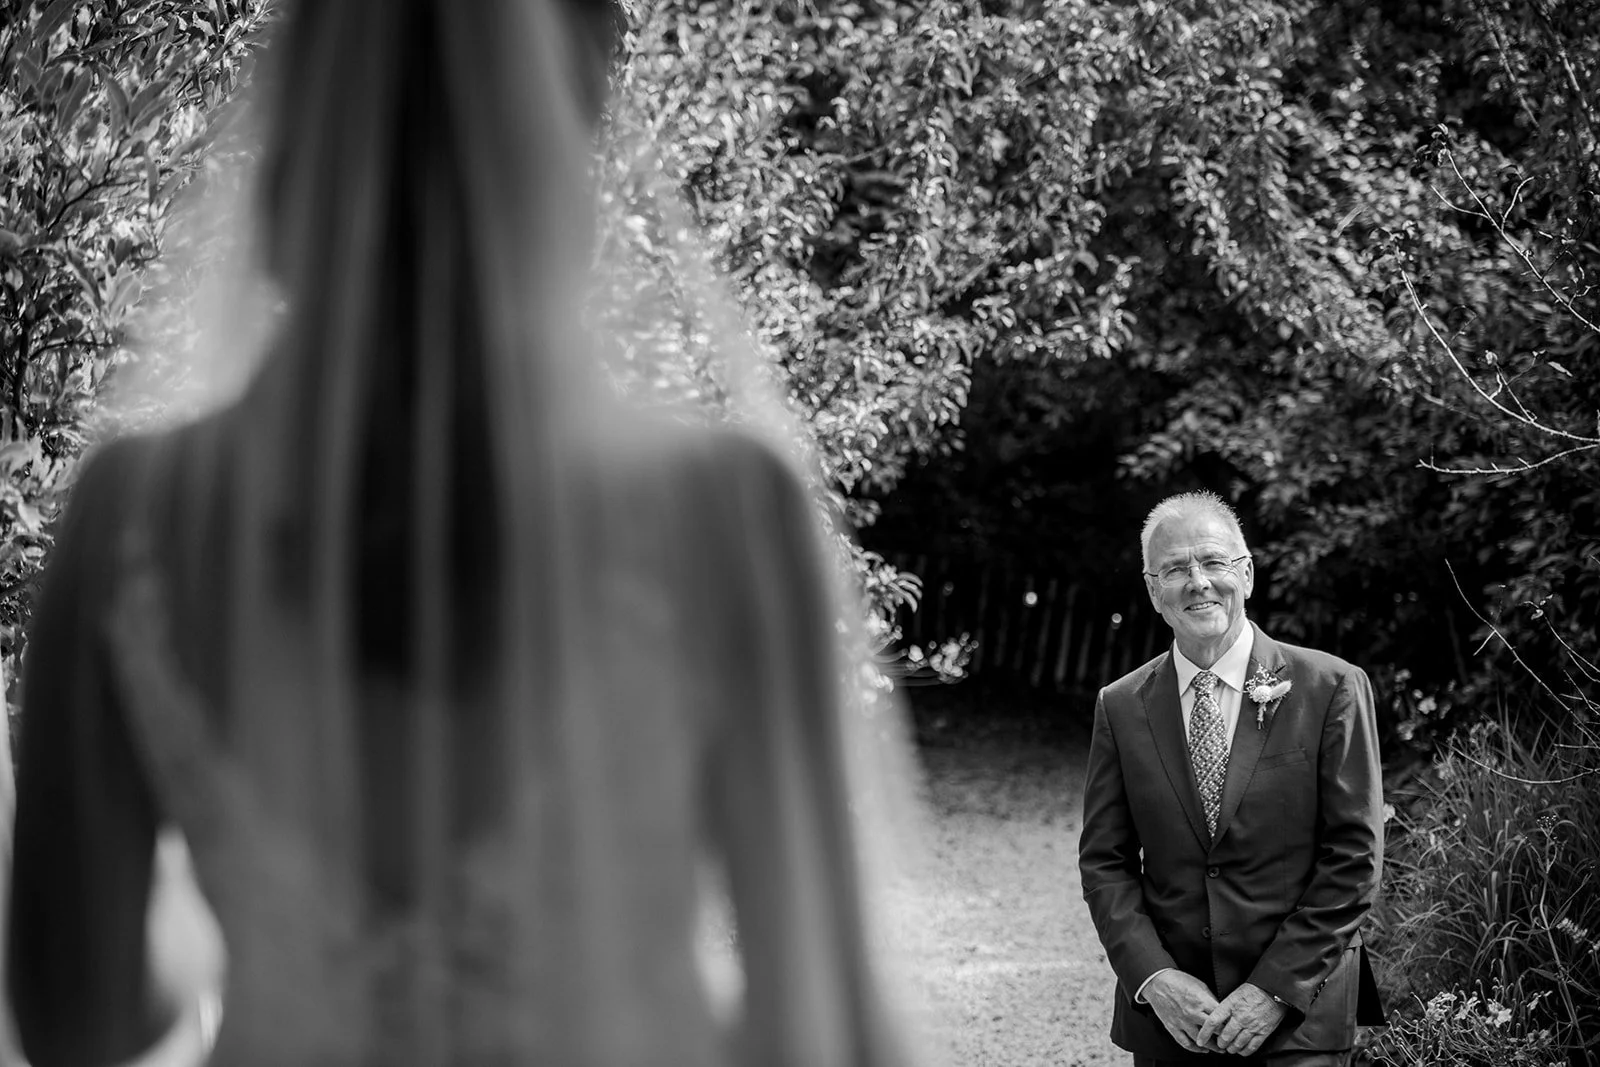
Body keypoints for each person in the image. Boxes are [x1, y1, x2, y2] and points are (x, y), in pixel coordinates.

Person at [6, 1, 922, 1065]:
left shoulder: (134, 515)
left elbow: (80, 1015)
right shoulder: (722, 513)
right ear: (556, 139)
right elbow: (825, 1026)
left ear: (296, 125)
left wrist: (268, 935)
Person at [1078, 491, 1385, 1065]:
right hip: (1173, 1021)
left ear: (1245, 574)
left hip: (1301, 1012)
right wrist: (1155, 979)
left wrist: (1273, 990)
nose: (1198, 581)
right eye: (1174, 569)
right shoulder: (1120, 706)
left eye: (1213, 562)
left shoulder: (1332, 687)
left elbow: (1355, 854)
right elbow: (1105, 862)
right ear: (1153, 591)